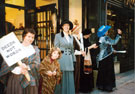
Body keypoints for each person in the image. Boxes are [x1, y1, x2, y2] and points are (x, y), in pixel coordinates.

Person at [0, 28, 41, 94]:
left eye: (32, 37)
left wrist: (27, 67)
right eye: (29, 36)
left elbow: (37, 64)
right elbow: (8, 63)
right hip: (16, 79)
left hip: (30, 78)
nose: (31, 39)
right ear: (24, 36)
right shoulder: (14, 47)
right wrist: (19, 70)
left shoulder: (35, 49)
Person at [96, 25, 122, 92]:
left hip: (101, 58)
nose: (107, 32)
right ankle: (108, 87)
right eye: (106, 31)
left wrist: (113, 50)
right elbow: (114, 42)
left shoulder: (100, 38)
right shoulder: (106, 37)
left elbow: (107, 46)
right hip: (107, 57)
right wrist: (118, 35)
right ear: (104, 32)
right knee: (108, 72)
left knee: (102, 72)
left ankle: (101, 86)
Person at [54, 19, 76, 94]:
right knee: (61, 76)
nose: (66, 27)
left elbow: (72, 49)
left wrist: (74, 59)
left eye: (68, 25)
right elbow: (56, 47)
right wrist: (56, 59)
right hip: (62, 58)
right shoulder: (58, 36)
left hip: (69, 59)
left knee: (69, 76)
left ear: (69, 27)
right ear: (62, 27)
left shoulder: (71, 37)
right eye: (65, 25)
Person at [79, 29, 97, 93]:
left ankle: (88, 88)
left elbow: (87, 48)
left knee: (88, 72)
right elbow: (83, 49)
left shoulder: (86, 39)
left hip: (88, 58)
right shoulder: (81, 40)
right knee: (85, 73)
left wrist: (93, 47)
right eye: (89, 34)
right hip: (83, 59)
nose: (89, 35)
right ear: (86, 34)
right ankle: (84, 88)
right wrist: (91, 46)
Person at [71, 20, 85, 93]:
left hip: (78, 59)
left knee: (78, 75)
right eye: (78, 29)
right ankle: (74, 91)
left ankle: (76, 90)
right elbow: (72, 51)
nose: (79, 30)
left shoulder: (77, 38)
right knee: (75, 75)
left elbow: (81, 47)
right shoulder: (73, 38)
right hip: (75, 59)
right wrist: (80, 52)